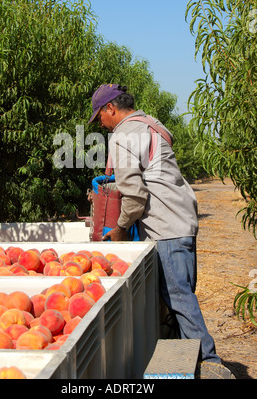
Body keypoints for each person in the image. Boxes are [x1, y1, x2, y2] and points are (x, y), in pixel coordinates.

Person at [88, 83, 221, 365]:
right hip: (182, 218)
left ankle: (210, 364)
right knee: (180, 298)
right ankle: (189, 360)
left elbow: (135, 195)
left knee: (178, 297)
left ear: (111, 108)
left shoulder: (124, 135)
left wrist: (121, 227)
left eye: (100, 115)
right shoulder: (151, 124)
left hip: (166, 227)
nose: (101, 123)